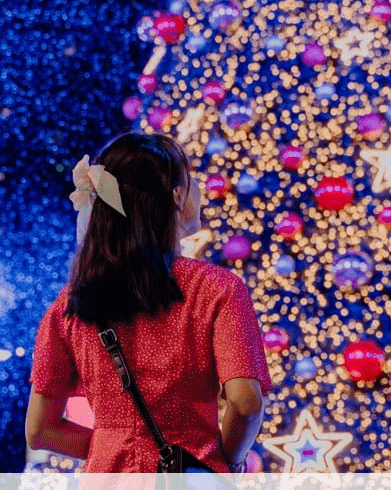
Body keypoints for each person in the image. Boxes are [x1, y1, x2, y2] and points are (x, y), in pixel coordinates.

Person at [26, 133, 271, 474]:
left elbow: (40, 430)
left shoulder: (69, 304)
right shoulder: (217, 288)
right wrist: (227, 464)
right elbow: (245, 405)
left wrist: (113, 449)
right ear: (176, 195)